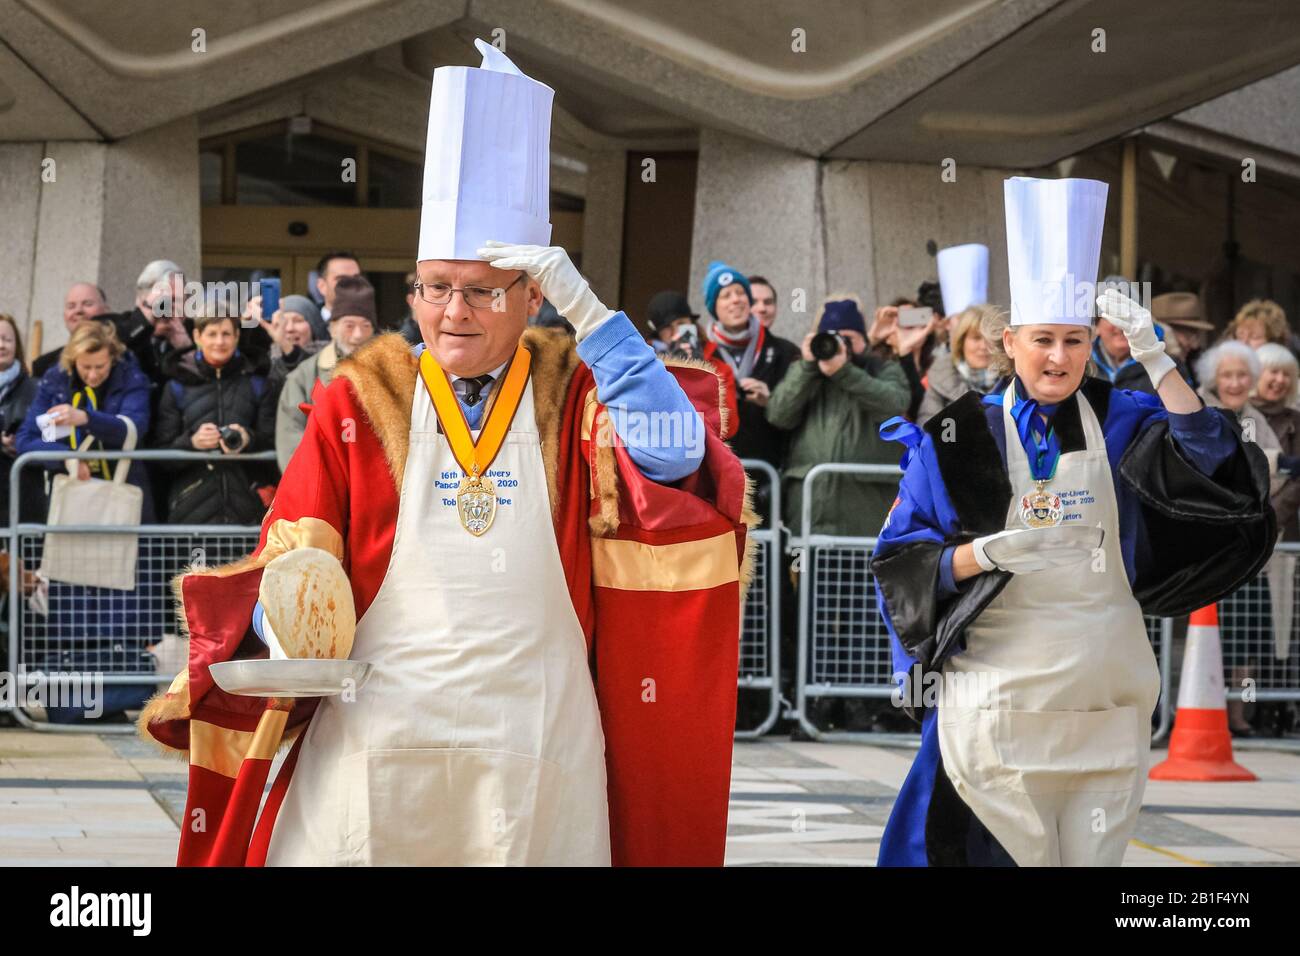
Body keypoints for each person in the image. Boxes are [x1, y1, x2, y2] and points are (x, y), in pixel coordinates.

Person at [138, 40, 749, 868]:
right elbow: (298, 544)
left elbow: (679, 466)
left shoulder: (576, 389)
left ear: (534, 294)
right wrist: (266, 628)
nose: (452, 311)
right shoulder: (361, 393)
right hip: (379, 726)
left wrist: (599, 321)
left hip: (537, 731)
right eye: (434, 286)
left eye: (482, 289)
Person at [873, 176, 1273, 867]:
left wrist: (1157, 360)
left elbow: (1213, 459)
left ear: (1091, 342)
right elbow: (902, 561)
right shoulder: (958, 438)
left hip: (1102, 699)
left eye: (1074, 340)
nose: (1058, 358)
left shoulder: (1121, 416)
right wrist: (986, 555)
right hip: (995, 697)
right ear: (1010, 342)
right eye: (1043, 341)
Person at [1196, 340, 1296, 737]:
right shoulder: (1197, 407)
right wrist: (1259, 471)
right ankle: (1198, 710)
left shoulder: (1255, 417)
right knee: (1207, 636)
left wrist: (1258, 474)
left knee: (1248, 639)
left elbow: (1275, 474)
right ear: (1213, 378)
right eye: (1228, 375)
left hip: (1249, 550)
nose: (1236, 382)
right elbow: (1212, 465)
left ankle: (1240, 715)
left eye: (1242, 375)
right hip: (1207, 548)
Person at [17, 320, 155, 521]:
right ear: (73, 360)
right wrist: (66, 456)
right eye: (85, 367)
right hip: (71, 491)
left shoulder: (130, 378)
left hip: (123, 486)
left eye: (100, 366)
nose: (92, 374)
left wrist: (86, 418)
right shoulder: (57, 381)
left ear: (113, 358)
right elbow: (26, 439)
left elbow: (134, 427)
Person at [151, 311, 277, 524]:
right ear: (197, 337)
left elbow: (275, 443)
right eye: (212, 334)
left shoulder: (258, 384)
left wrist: (248, 438)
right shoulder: (177, 386)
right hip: (191, 509)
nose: (220, 342)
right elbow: (161, 454)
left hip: (249, 508)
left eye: (226, 334)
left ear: (237, 336)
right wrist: (192, 442)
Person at [701, 260, 799, 479]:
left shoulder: (785, 351)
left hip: (768, 473)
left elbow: (798, 413)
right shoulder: (700, 354)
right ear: (713, 307)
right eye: (726, 295)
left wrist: (771, 400)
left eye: (740, 293)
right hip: (714, 473)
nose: (736, 299)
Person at [275, 276, 376, 471]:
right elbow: (290, 441)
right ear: (332, 328)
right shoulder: (303, 376)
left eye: (366, 326)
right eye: (349, 325)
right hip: (322, 479)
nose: (357, 335)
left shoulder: (388, 374)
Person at [1250, 343, 1300, 736]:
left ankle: (1276, 711)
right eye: (1272, 372)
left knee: (1281, 630)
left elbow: (1296, 482)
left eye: (1286, 374)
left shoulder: (1295, 422)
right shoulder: (1239, 415)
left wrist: (1272, 519)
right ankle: (1246, 712)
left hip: (1282, 540)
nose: (1279, 380)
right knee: (1248, 628)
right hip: (1246, 536)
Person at [916, 305, 1002, 426]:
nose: (983, 347)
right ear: (961, 342)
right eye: (976, 338)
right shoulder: (940, 378)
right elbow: (927, 432)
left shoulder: (1014, 381)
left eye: (989, 339)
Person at [0, 314, 40, 524]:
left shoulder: (37, 388)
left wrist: (25, 442)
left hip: (23, 496)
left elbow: (52, 437)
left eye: (7, 339)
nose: (1, 345)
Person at [31, 282, 110, 380]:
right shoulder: (43, 366)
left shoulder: (121, 357)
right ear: (64, 316)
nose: (78, 311)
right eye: (71, 306)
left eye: (88, 304)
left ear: (106, 310)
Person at [1153, 291, 1213, 388]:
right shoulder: (1140, 368)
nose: (1195, 345)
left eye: (1195, 334)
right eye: (1187, 334)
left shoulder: (1194, 362)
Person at [313, 251, 362, 321]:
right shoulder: (307, 327)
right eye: (341, 279)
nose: (350, 284)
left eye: (355, 279)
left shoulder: (371, 327)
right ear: (322, 286)